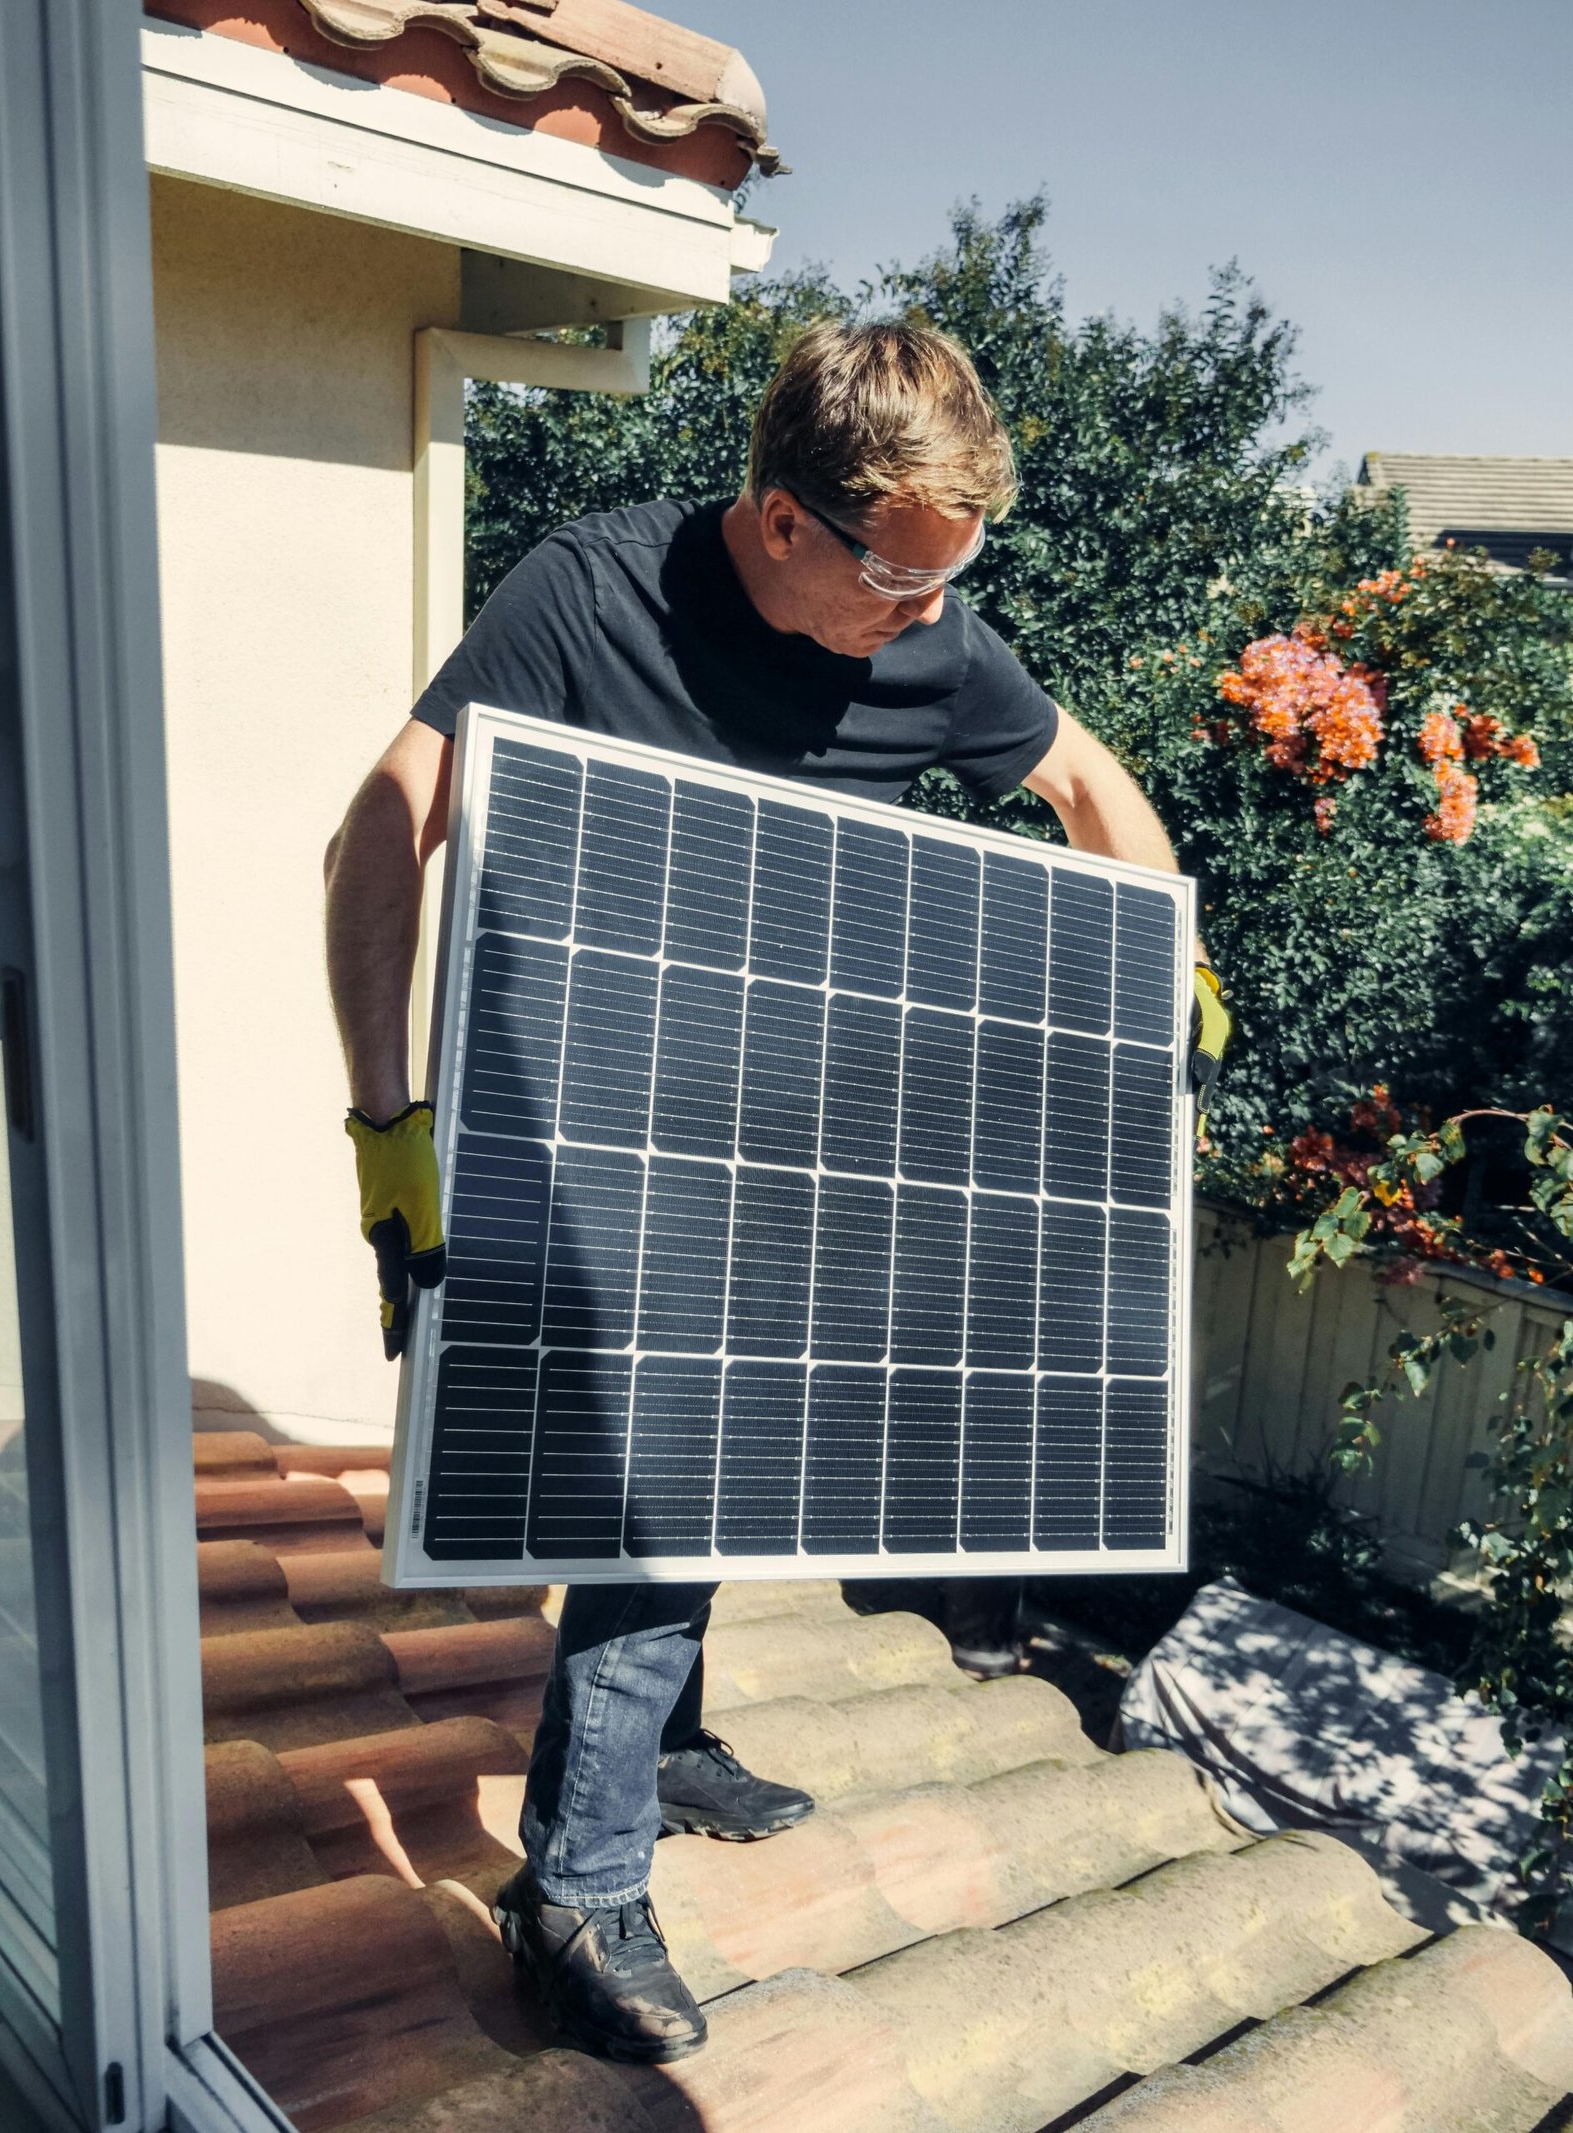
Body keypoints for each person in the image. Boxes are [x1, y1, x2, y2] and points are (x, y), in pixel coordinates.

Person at [324, 319, 1231, 2065]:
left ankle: (662, 1743)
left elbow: (1091, 786)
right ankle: (574, 1886)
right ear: (784, 517)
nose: (926, 615)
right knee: (652, 1473)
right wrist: (388, 1126)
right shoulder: (591, 596)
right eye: (897, 575)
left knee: (751, 1431)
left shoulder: (933, 633)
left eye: (953, 579)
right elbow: (384, 824)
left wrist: (1157, 978)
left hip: (786, 1130)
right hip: (591, 1118)